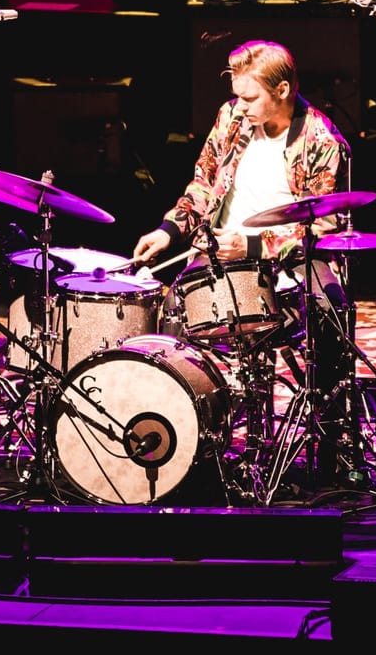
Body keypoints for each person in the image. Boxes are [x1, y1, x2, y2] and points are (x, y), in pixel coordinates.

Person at [130, 39, 361, 482]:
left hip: (289, 259)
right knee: (169, 317)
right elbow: (202, 183)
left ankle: (333, 448)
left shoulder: (322, 140)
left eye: (251, 97)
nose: (242, 106)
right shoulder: (231, 116)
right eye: (238, 95)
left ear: (284, 90)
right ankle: (182, 440)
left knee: (333, 312)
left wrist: (254, 247)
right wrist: (168, 229)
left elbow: (325, 227)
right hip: (222, 250)